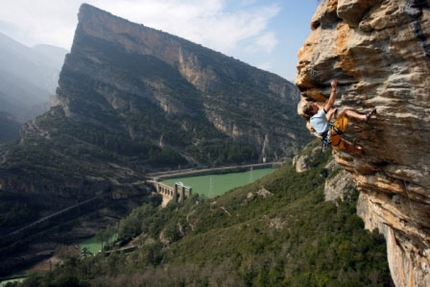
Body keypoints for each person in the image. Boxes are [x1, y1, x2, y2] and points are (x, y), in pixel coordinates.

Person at [302, 79, 376, 155]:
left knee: (345, 145)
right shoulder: (319, 115)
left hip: (329, 139)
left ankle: (359, 151)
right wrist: (333, 89)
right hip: (333, 132)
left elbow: (324, 124)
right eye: (313, 106)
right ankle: (363, 117)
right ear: (312, 111)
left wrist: (331, 114)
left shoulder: (312, 120)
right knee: (345, 111)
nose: (315, 104)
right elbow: (330, 103)